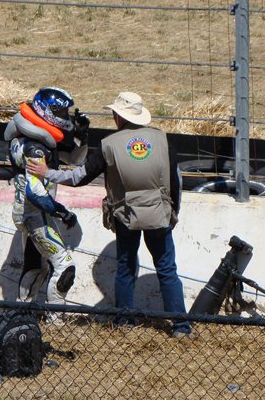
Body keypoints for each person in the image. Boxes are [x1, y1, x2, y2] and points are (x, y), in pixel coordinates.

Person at [27, 91, 192, 337]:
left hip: (125, 214)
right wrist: (173, 213)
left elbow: (79, 177)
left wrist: (47, 172)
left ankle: (125, 321)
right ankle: (181, 327)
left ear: (119, 116)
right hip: (159, 213)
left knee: (126, 266)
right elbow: (176, 180)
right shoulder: (162, 140)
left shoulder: (109, 144)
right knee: (167, 268)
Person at [4, 87, 90, 313]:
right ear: (46, 110)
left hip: (29, 212)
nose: (65, 117)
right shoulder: (36, 147)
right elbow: (34, 191)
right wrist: (62, 212)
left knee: (35, 266)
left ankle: (21, 313)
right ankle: (55, 320)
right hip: (35, 213)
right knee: (65, 267)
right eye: (61, 112)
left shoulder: (32, 138)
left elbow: (74, 159)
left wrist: (82, 136)